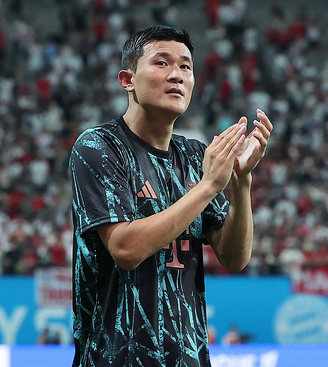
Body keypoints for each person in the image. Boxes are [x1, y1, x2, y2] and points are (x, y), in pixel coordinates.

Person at [69, 25, 273, 366]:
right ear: (127, 79)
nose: (176, 75)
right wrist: (208, 187)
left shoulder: (195, 156)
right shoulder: (99, 146)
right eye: (161, 63)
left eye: (186, 67)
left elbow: (234, 257)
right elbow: (126, 248)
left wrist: (241, 181)